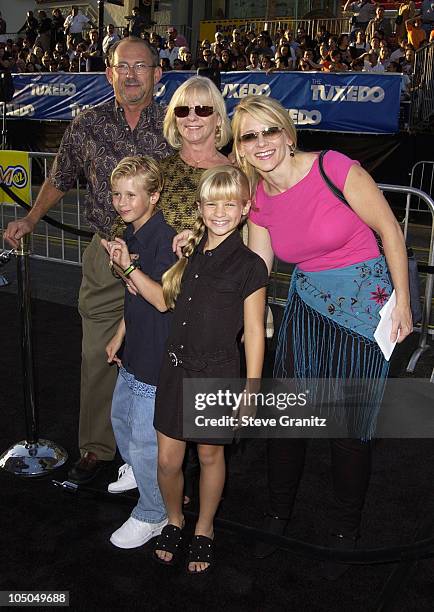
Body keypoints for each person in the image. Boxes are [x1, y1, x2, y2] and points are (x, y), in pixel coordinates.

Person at [231, 95, 412, 577]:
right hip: (307, 309)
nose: (262, 142)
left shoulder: (333, 167)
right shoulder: (260, 199)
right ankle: (277, 516)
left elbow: (391, 230)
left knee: (348, 431)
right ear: (240, 149)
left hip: (365, 308)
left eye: (270, 131)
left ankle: (344, 532)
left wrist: (406, 304)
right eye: (249, 136)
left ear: (289, 134)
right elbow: (258, 270)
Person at [4, 37, 172, 484]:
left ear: (158, 73)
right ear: (108, 74)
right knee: (98, 352)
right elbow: (59, 178)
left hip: (160, 257)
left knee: (162, 353)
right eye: (123, 66)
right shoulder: (87, 124)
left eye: (141, 66)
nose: (132, 74)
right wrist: (32, 219)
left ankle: (160, 451)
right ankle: (97, 447)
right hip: (103, 255)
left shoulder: (178, 124)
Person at [153, 165, 268, 573]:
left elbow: (254, 331)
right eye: (212, 203)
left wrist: (251, 389)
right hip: (174, 368)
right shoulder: (189, 250)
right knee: (167, 461)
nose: (220, 212)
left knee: (208, 454)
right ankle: (174, 518)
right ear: (200, 208)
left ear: (245, 208)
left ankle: (204, 527)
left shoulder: (251, 265)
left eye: (230, 203)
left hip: (216, 373)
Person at [100, 156, 176, 548]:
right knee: (122, 421)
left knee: (146, 443)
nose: (122, 201)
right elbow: (136, 298)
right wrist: (119, 335)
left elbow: (162, 299)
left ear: (155, 196)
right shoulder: (131, 233)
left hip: (157, 356)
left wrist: (127, 269)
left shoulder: (164, 239)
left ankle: (153, 512)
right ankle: (140, 470)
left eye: (132, 194)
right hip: (136, 348)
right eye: (117, 193)